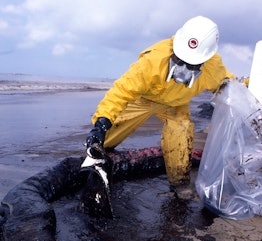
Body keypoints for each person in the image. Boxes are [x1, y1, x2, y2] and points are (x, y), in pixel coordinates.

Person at [85, 16, 234, 193]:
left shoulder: (213, 68)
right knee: (105, 137)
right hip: (144, 100)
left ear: (205, 59)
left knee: (181, 129)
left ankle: (180, 182)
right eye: (180, 60)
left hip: (176, 105)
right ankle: (98, 156)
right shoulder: (153, 60)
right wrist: (102, 122)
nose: (184, 67)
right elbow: (121, 91)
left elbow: (229, 87)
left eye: (191, 64)